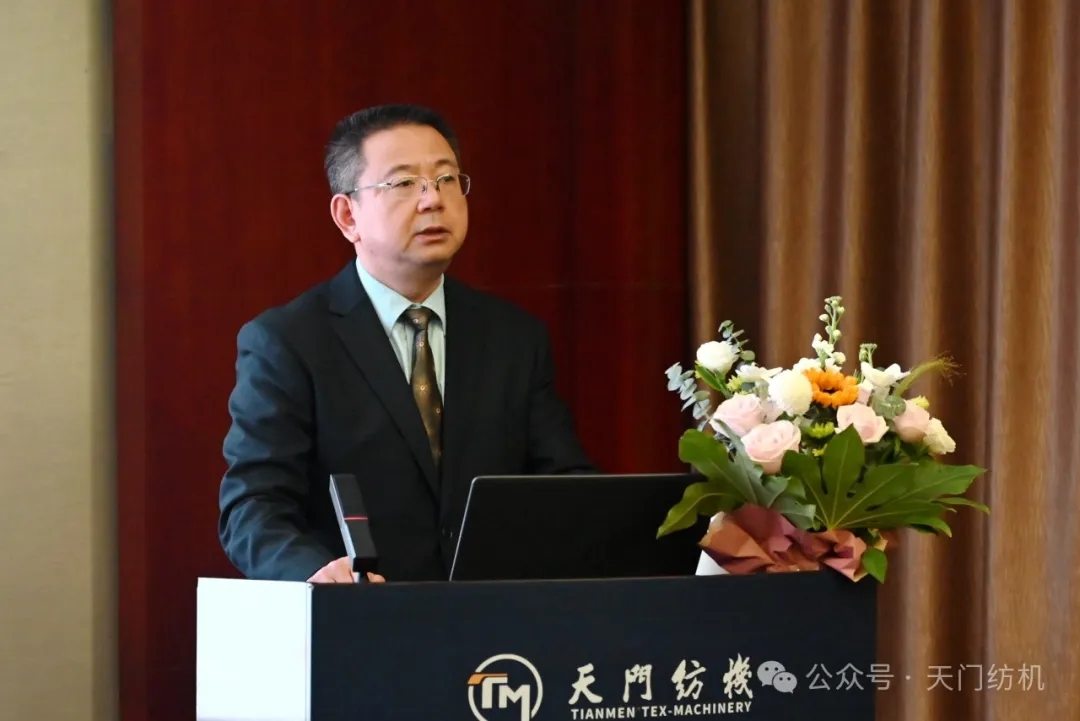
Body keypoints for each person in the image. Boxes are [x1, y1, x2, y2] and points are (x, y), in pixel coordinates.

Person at [218, 104, 597, 584]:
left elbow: (563, 486)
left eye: (446, 179)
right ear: (348, 215)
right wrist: (312, 571)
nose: (432, 199)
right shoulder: (289, 342)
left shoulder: (514, 337)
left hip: (494, 618)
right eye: (403, 183)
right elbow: (253, 505)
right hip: (359, 614)